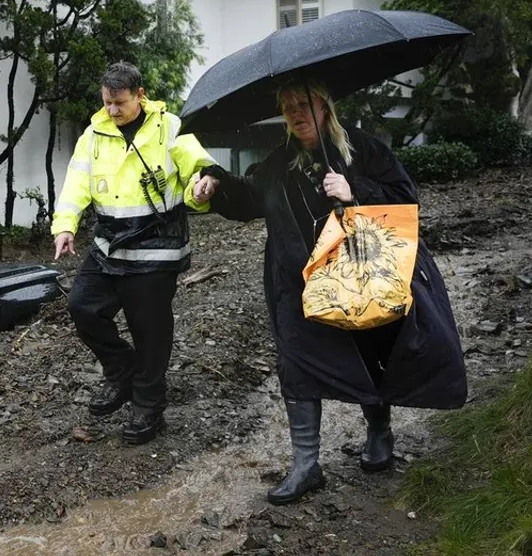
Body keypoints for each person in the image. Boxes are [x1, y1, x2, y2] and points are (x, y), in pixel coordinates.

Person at [197, 82, 467, 505]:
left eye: (302, 104)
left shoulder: (363, 149)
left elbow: (406, 199)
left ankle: (379, 430)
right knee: (297, 363)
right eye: (287, 107)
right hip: (300, 281)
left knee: (369, 350)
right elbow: (250, 199)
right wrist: (216, 183)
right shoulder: (279, 161)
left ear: (325, 105)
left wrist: (355, 191)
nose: (295, 113)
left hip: (361, 275)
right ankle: (307, 465)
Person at [52, 61, 220, 445]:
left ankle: (148, 406)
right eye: (107, 103)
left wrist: (204, 184)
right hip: (109, 245)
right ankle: (122, 370)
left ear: (140, 96)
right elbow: (76, 183)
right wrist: (65, 225)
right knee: (82, 307)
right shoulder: (93, 135)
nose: (112, 111)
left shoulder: (170, 127)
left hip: (156, 247)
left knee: (150, 331)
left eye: (120, 104)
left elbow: (199, 165)